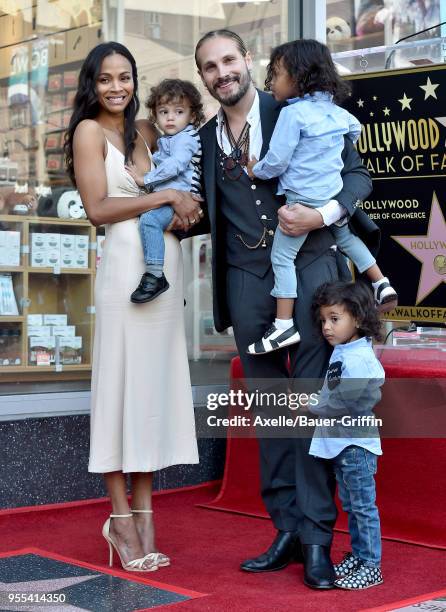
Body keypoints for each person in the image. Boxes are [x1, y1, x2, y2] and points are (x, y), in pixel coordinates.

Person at [191, 29, 377, 589]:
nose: (221, 72)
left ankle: (319, 539)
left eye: (229, 59)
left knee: (316, 414)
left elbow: (357, 176)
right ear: (201, 76)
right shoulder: (203, 138)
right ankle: (288, 531)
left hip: (315, 272)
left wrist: (322, 216)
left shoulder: (300, 106)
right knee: (275, 418)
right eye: (209, 66)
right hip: (248, 282)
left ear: (247, 60)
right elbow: (206, 210)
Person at [64, 42, 200, 573]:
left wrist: (183, 210)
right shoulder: (88, 132)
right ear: (91, 84)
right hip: (125, 275)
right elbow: (98, 209)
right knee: (122, 391)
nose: (116, 87)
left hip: (164, 273)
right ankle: (120, 519)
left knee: (149, 396)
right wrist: (167, 199)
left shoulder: (147, 131)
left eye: (125, 77)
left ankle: (146, 515)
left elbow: (177, 191)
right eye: (105, 79)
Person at [246, 40, 397, 355]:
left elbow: (277, 161)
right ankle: (381, 282)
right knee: (348, 239)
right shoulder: (339, 115)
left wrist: (255, 170)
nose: (270, 81)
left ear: (299, 77)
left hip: (301, 200)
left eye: (275, 74)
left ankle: (283, 325)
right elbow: (353, 132)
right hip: (330, 197)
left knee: (282, 258)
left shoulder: (293, 114)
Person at [310, 280, 384, 589]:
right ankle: (360, 554)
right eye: (324, 320)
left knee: (363, 507)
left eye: (335, 319)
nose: (327, 327)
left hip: (355, 445)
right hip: (343, 444)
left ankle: (371, 565)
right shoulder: (345, 351)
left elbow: (349, 401)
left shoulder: (359, 358)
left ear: (358, 318)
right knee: (352, 506)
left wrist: (312, 406)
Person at [125, 79, 204, 303]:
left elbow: (176, 165)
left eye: (179, 111)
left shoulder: (185, 139)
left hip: (179, 198)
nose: (170, 117)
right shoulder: (170, 139)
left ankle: (155, 275)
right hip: (171, 199)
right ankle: (176, 289)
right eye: (163, 111)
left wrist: (145, 179)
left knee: (149, 221)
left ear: (192, 116)